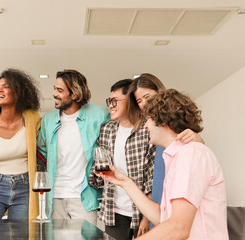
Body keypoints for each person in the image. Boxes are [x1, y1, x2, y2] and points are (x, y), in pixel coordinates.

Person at [96, 89, 228, 239]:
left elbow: (178, 227)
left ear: (163, 120)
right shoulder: (175, 157)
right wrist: (124, 182)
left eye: (148, 120)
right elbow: (162, 218)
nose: (145, 126)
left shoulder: (191, 154)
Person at [36, 69, 110, 225]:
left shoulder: (100, 115)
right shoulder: (48, 120)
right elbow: (42, 151)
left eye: (59, 90)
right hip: (55, 196)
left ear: (75, 94)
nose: (54, 93)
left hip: (85, 197)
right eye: (55, 88)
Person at [88, 79, 155, 239]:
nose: (110, 105)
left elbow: (152, 178)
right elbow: (97, 167)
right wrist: (96, 174)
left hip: (143, 212)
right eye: (109, 101)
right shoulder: (107, 130)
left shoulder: (148, 129)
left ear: (131, 102)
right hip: (114, 213)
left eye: (115, 101)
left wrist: (146, 218)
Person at [126, 73, 204, 209]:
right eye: (139, 101)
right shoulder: (144, 128)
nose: (144, 104)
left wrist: (198, 139)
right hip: (155, 195)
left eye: (147, 97)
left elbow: (198, 151)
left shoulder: (177, 127)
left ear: (159, 93)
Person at [0, 69, 41, 221]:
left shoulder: (32, 119)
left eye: (5, 86)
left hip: (26, 186)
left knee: (23, 235)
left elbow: (47, 145)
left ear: (19, 91)